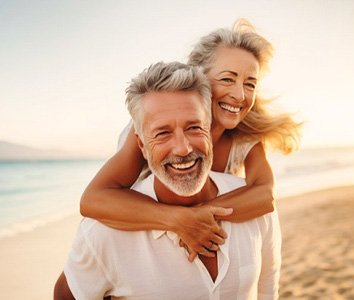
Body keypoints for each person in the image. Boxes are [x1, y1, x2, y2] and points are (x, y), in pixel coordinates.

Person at [54, 61, 282, 299]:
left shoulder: (255, 207)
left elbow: (268, 288)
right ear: (141, 145)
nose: (182, 149)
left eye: (194, 127)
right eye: (162, 133)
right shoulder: (103, 233)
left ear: (209, 129)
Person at [80, 19, 300, 260]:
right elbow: (94, 200)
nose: (239, 95)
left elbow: (265, 195)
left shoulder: (245, 137)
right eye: (228, 79)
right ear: (199, 77)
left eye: (250, 84)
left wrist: (199, 216)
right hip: (132, 242)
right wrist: (176, 219)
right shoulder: (154, 128)